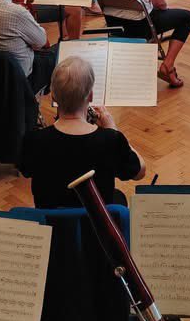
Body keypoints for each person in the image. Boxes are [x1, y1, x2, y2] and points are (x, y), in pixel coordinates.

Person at [19, 55, 145, 207]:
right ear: (90, 95)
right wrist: (113, 129)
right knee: (118, 197)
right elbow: (140, 171)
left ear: (53, 96)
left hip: (53, 225)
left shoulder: (34, 140)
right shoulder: (111, 140)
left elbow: (25, 169)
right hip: (97, 225)